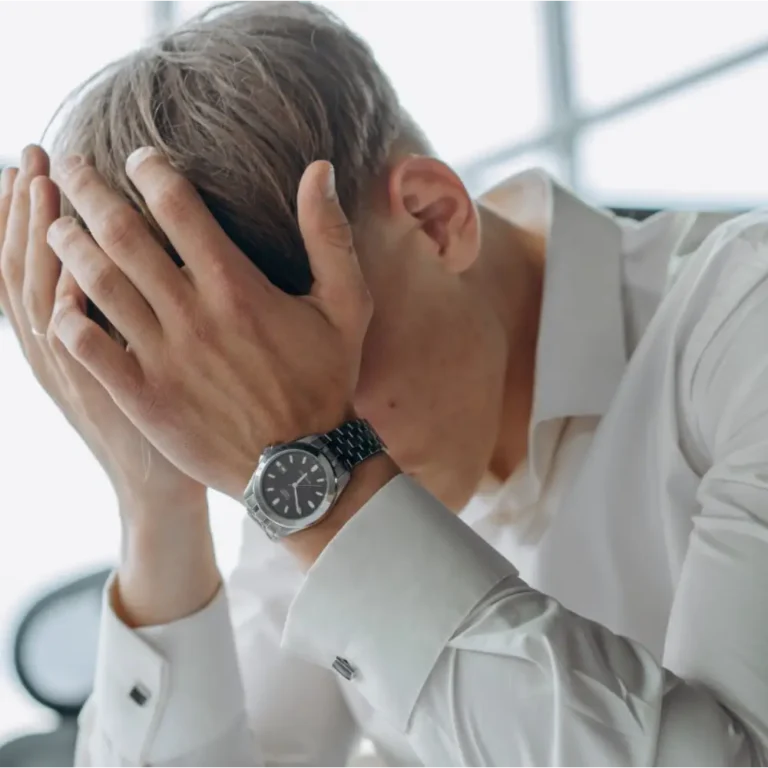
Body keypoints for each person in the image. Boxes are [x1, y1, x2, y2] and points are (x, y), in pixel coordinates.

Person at [1, 1, 767, 765]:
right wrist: (156, 500)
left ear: (434, 219)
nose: (281, 439)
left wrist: (326, 474)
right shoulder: (286, 461)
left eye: (312, 375)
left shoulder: (742, 322)